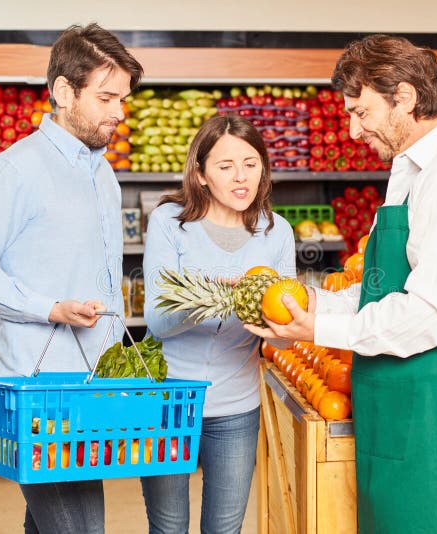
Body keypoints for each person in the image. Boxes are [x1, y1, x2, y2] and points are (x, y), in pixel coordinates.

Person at [245, 34, 437, 533]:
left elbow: (434, 312)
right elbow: (380, 288)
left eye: (362, 112)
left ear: (406, 97)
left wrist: (319, 329)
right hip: (403, 403)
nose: (354, 131)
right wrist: (318, 302)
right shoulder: (410, 174)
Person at [0, 23, 143, 534]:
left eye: (124, 99)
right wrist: (48, 306)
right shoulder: (14, 171)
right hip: (38, 390)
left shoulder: (103, 174)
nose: (119, 112)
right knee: (80, 527)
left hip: (93, 386)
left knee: (53, 522)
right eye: (106, 97)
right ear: (63, 92)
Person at [141, 113, 296, 534]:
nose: (240, 177)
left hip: (236, 407)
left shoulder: (276, 232)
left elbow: (282, 344)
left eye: (250, 163)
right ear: (201, 174)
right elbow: (156, 320)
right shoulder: (171, 224)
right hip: (168, 403)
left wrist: (283, 324)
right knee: (169, 527)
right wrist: (214, 297)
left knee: (225, 529)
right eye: (225, 166)